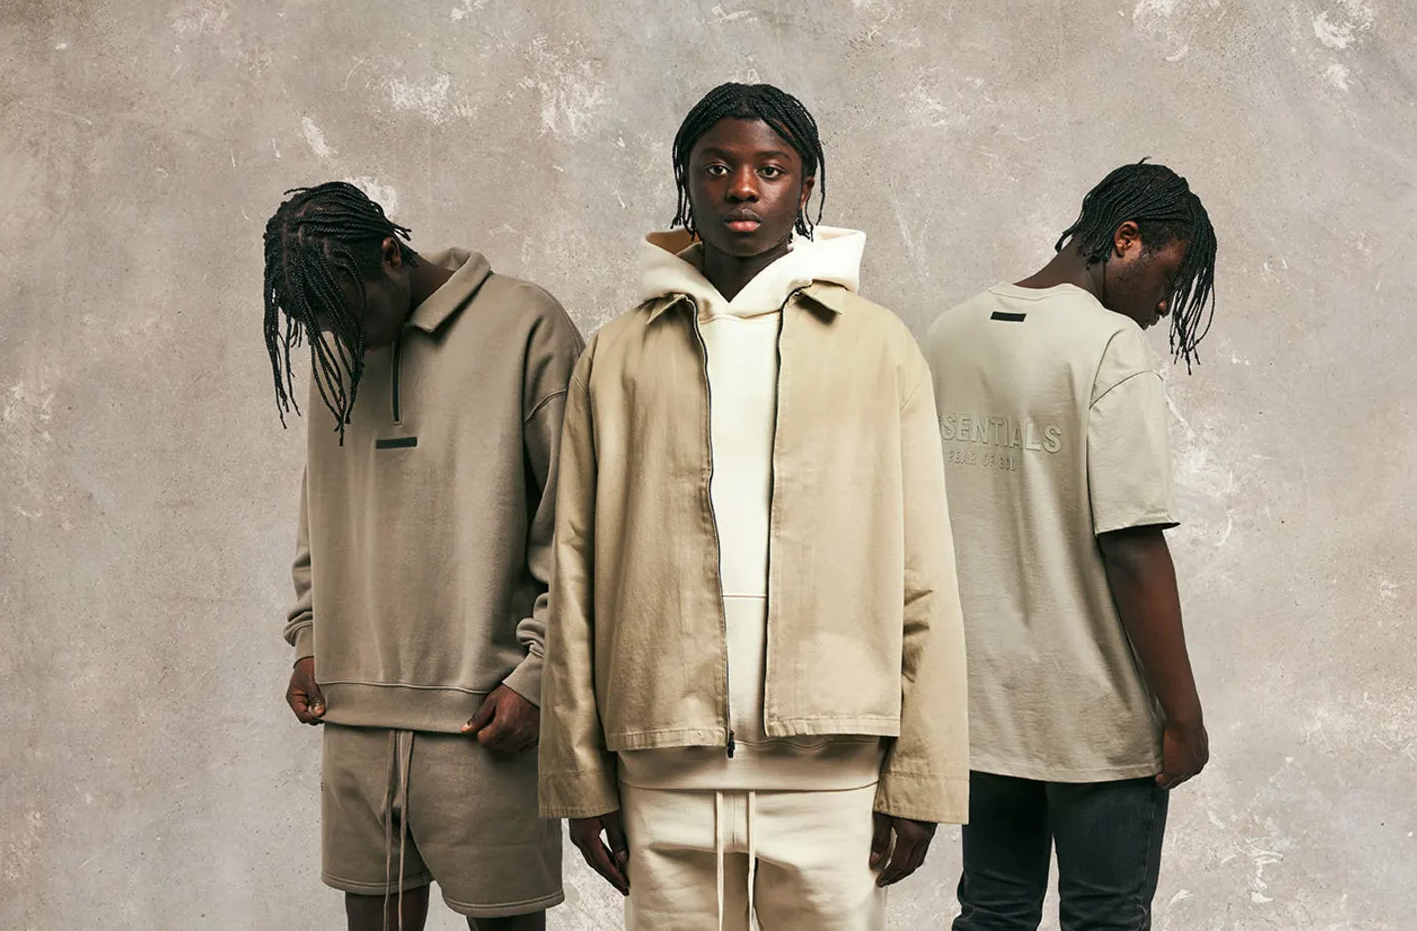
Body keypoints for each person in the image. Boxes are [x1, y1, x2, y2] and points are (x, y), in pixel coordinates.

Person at [538, 83, 969, 931]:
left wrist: (922, 777)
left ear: (804, 186)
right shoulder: (617, 354)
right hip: (663, 769)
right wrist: (579, 775)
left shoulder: (879, 346)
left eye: (769, 169)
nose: (742, 187)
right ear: (686, 181)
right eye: (717, 167)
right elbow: (575, 571)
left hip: (832, 772)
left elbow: (924, 569)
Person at [262, 181, 581, 930]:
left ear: (390, 254)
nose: (343, 334)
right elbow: (323, 506)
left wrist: (539, 676)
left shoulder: (527, 326)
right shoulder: (338, 344)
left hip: (483, 718)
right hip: (355, 716)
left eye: (350, 313)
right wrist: (311, 638)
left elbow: (580, 521)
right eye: (322, 323)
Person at [923, 161, 1218, 931]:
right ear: (1126, 239)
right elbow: (1133, 549)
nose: (1164, 305)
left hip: (981, 708)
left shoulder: (949, 333)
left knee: (991, 911)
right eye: (1169, 278)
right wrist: (1183, 715)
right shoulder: (1109, 346)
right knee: (1106, 917)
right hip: (1096, 715)